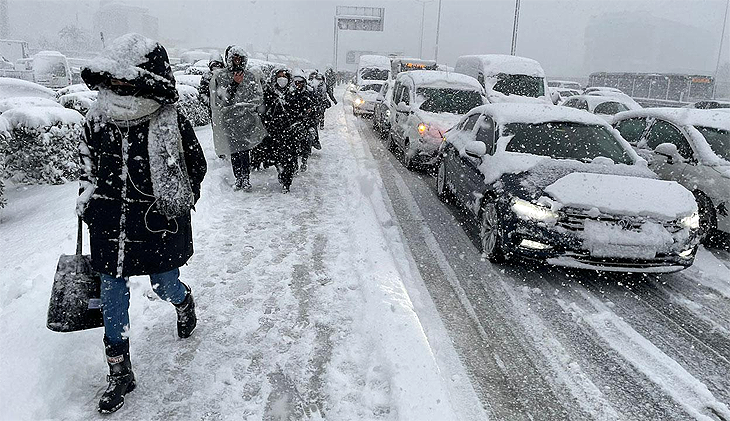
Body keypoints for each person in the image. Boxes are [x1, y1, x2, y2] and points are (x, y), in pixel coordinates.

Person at [77, 33, 207, 414]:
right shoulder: (97, 118)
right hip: (110, 224)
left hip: (155, 224)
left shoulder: (169, 120)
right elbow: (87, 168)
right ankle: (119, 372)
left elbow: (194, 167)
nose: (116, 87)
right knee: (112, 295)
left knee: (163, 284)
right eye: (112, 80)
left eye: (124, 80)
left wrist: (175, 204)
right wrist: (88, 202)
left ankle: (183, 302)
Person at [210, 45, 266, 191]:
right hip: (230, 120)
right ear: (229, 59)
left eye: (239, 58)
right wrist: (234, 84)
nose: (237, 61)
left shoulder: (250, 76)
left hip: (246, 119)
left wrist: (251, 110)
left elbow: (256, 96)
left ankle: (245, 178)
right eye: (234, 58)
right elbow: (222, 99)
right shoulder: (221, 76)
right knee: (234, 150)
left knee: (244, 150)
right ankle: (238, 178)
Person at [261, 67, 298, 193]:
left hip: (289, 131)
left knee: (289, 158)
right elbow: (263, 111)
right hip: (274, 131)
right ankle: (281, 173)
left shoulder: (293, 93)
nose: (282, 79)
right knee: (278, 157)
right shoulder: (269, 92)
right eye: (279, 76)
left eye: (284, 76)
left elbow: (297, 111)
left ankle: (287, 181)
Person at [288, 70, 316, 172]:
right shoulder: (290, 94)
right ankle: (294, 165)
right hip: (294, 123)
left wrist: (309, 113)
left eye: (299, 82)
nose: (298, 84)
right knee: (292, 145)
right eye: (296, 82)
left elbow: (313, 108)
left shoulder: (309, 93)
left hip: (306, 122)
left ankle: (304, 161)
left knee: (307, 142)